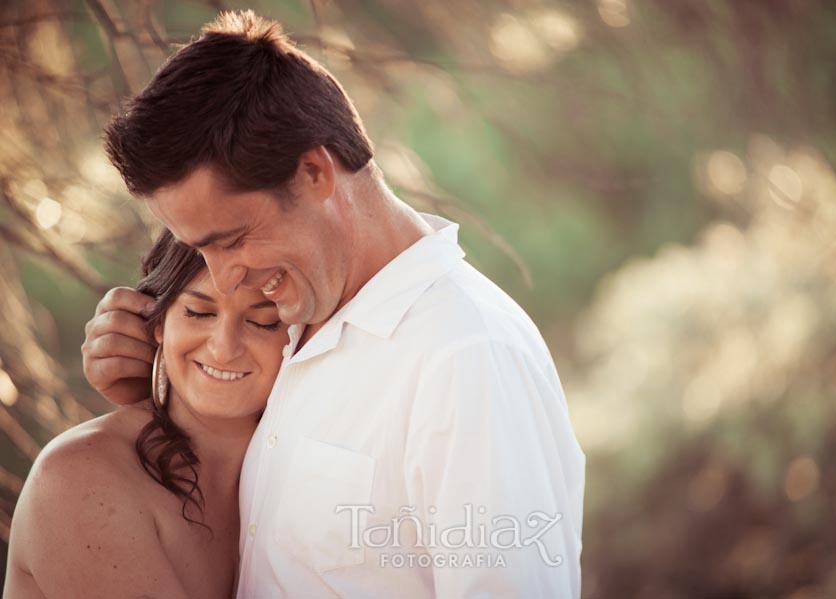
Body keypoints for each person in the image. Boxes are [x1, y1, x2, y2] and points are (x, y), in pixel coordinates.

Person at [81, 10, 586, 598]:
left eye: (234, 238)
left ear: (315, 172)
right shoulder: (294, 323)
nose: (226, 277)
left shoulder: (467, 358)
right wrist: (149, 394)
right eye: (201, 249)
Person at [5, 230, 289, 598]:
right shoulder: (81, 477)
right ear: (158, 323)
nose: (223, 348)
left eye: (263, 322)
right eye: (198, 312)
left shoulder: (292, 476)